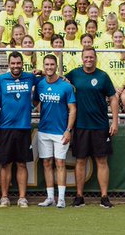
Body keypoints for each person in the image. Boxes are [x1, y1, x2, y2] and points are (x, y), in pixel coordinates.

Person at [65, 47, 119, 208]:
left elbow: (113, 99)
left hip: (100, 125)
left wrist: (115, 121)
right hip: (80, 125)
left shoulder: (103, 76)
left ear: (95, 58)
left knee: (102, 161)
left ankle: (104, 197)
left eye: (91, 57)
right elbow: (57, 79)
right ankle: (79, 196)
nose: (88, 59)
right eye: (86, 57)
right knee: (80, 161)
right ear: (82, 58)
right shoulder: (74, 74)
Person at [0, 52, 36, 208]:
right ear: (8, 64)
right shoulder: (0, 79)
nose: (16, 66)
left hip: (23, 127)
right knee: (6, 164)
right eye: (13, 63)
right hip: (5, 127)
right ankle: (4, 197)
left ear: (22, 64)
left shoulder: (30, 77)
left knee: (22, 164)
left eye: (18, 63)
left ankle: (22, 197)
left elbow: (47, 78)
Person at [34, 54, 76, 208]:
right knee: (46, 163)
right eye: (47, 65)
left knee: (60, 163)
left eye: (52, 65)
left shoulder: (65, 86)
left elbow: (72, 109)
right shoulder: (40, 84)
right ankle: (50, 197)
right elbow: (35, 102)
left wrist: (68, 130)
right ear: (43, 67)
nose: (49, 67)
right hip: (44, 130)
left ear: (56, 66)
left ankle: (62, 199)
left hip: (60, 132)